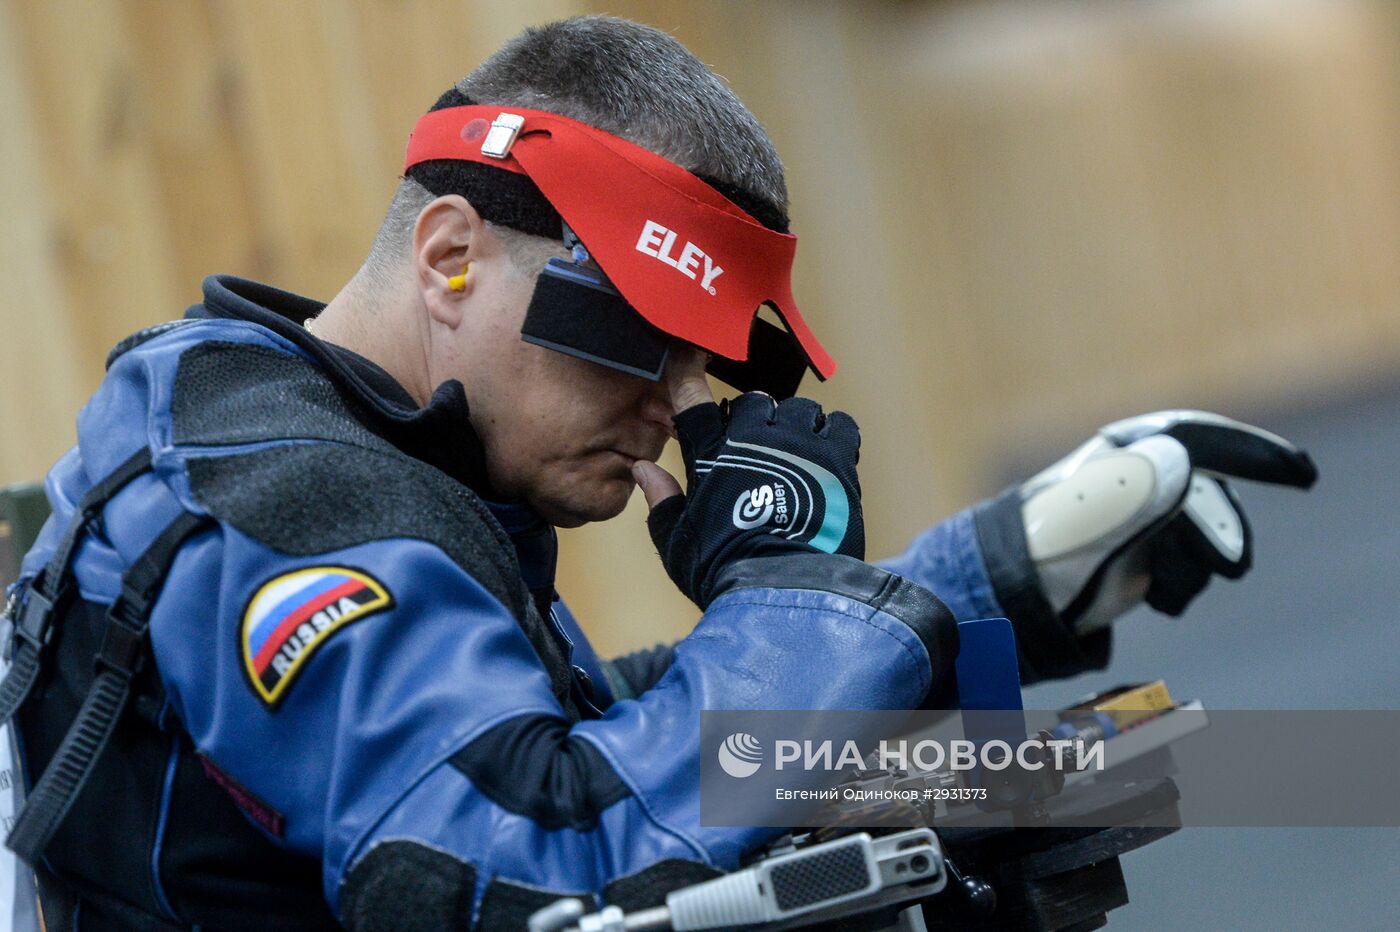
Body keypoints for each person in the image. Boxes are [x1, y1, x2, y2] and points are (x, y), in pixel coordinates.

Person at [0, 16, 1314, 932]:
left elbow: (550, 744)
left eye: (703, 372)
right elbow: (525, 867)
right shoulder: (299, 508)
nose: (671, 420)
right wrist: (790, 594)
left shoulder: (336, 440)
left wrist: (984, 581)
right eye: (637, 344)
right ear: (452, 254)